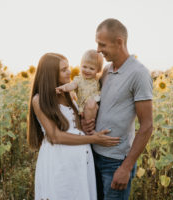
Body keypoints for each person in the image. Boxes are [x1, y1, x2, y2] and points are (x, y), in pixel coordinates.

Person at [27, 52, 120, 200]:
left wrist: (86, 123)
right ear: (51, 74)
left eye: (68, 67)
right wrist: (94, 139)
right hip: (59, 161)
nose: (69, 71)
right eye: (64, 70)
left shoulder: (69, 94)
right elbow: (55, 136)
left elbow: (75, 126)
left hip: (81, 162)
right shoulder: (39, 100)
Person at [82, 18, 153, 200]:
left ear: (119, 42)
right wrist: (87, 122)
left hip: (115, 163)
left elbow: (147, 126)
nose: (98, 50)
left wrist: (126, 167)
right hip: (93, 154)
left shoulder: (139, 73)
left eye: (102, 44)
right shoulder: (106, 70)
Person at [55, 50, 103, 127]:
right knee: (91, 104)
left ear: (98, 70)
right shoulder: (79, 80)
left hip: (95, 106)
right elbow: (72, 85)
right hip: (84, 107)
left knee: (94, 104)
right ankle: (88, 126)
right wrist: (64, 88)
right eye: (84, 67)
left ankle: (91, 126)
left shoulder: (97, 79)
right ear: (81, 65)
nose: (87, 70)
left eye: (91, 68)